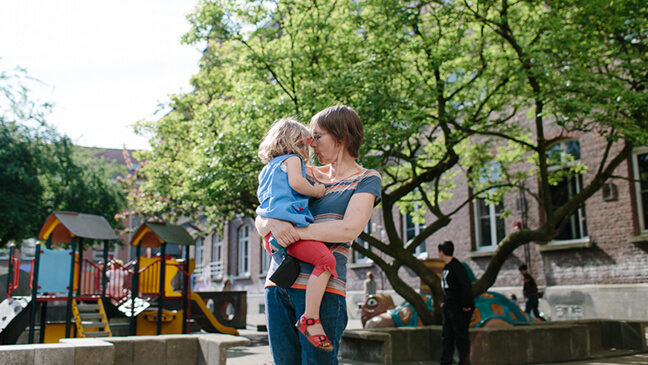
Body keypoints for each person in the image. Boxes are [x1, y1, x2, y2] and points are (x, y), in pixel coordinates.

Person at [255, 105, 382, 364]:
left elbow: (349, 228)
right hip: (278, 284)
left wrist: (293, 232)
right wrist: (269, 220)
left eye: (317, 136)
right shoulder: (304, 173)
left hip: (324, 294)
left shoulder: (366, 179)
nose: (310, 144)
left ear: (341, 135)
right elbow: (262, 216)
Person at [256, 117, 336, 352]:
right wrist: (317, 191)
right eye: (307, 142)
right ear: (296, 141)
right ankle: (310, 318)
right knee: (325, 260)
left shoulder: (266, 170)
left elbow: (263, 204)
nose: (309, 147)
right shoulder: (292, 159)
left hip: (271, 235)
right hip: (289, 230)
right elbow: (298, 183)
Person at [438, 241, 474, 365]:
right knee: (447, 335)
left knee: (461, 336)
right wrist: (445, 301)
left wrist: (466, 304)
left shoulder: (457, 267)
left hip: (457, 307)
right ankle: (446, 361)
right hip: (449, 307)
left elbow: (465, 285)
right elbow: (449, 288)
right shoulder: (447, 267)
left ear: (442, 252)